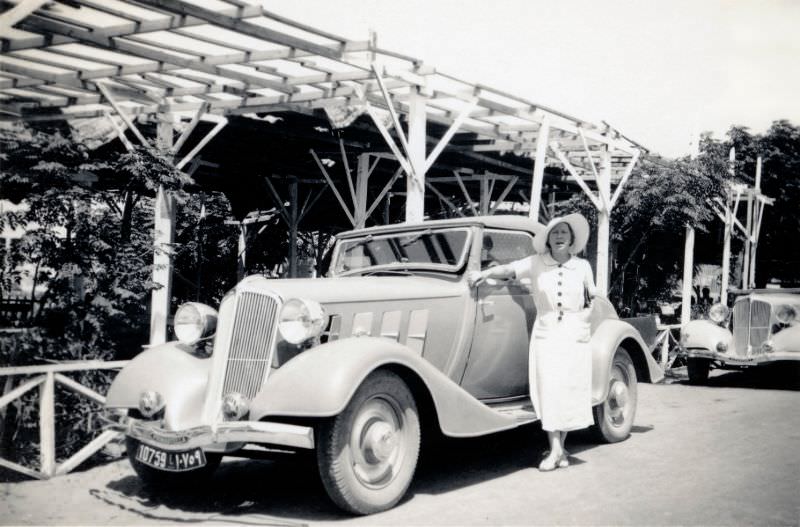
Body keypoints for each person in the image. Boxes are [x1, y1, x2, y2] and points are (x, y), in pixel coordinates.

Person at [468, 213, 596, 471]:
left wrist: (584, 319)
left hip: (574, 332)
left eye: (564, 232)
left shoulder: (582, 267)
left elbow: (593, 296)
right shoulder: (536, 262)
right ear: (548, 239)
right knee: (549, 387)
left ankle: (559, 448)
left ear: (571, 238)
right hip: (547, 331)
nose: (559, 237)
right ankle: (556, 448)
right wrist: (483, 274)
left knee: (568, 388)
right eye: (555, 233)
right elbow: (509, 270)